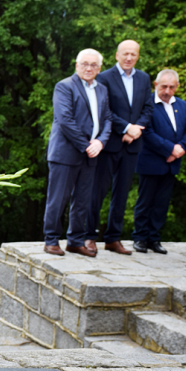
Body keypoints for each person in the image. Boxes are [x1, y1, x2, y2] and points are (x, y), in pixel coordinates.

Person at [43, 49, 112, 257]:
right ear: (76, 65)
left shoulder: (102, 89)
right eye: (85, 64)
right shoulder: (64, 86)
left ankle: (75, 241)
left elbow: (108, 118)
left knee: (83, 200)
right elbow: (65, 120)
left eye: (93, 65)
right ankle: (51, 240)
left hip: (91, 154)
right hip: (66, 153)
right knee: (58, 199)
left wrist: (100, 142)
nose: (89, 68)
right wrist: (86, 145)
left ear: (99, 69)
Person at [87, 41, 154, 255]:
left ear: (137, 57)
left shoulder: (143, 78)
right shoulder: (105, 77)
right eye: (125, 53)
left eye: (133, 54)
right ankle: (89, 235)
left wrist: (136, 129)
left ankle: (113, 238)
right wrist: (125, 127)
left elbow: (148, 107)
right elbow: (104, 109)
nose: (129, 57)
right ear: (117, 55)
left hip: (133, 144)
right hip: (109, 144)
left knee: (122, 193)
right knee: (98, 191)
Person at [132, 70, 186, 254]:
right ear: (155, 85)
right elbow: (146, 132)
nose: (167, 90)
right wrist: (170, 149)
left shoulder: (181, 105)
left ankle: (154, 238)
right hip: (151, 161)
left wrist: (180, 148)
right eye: (163, 86)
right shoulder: (146, 103)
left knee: (162, 203)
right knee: (145, 201)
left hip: (171, 163)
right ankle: (140, 237)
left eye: (171, 87)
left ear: (177, 87)